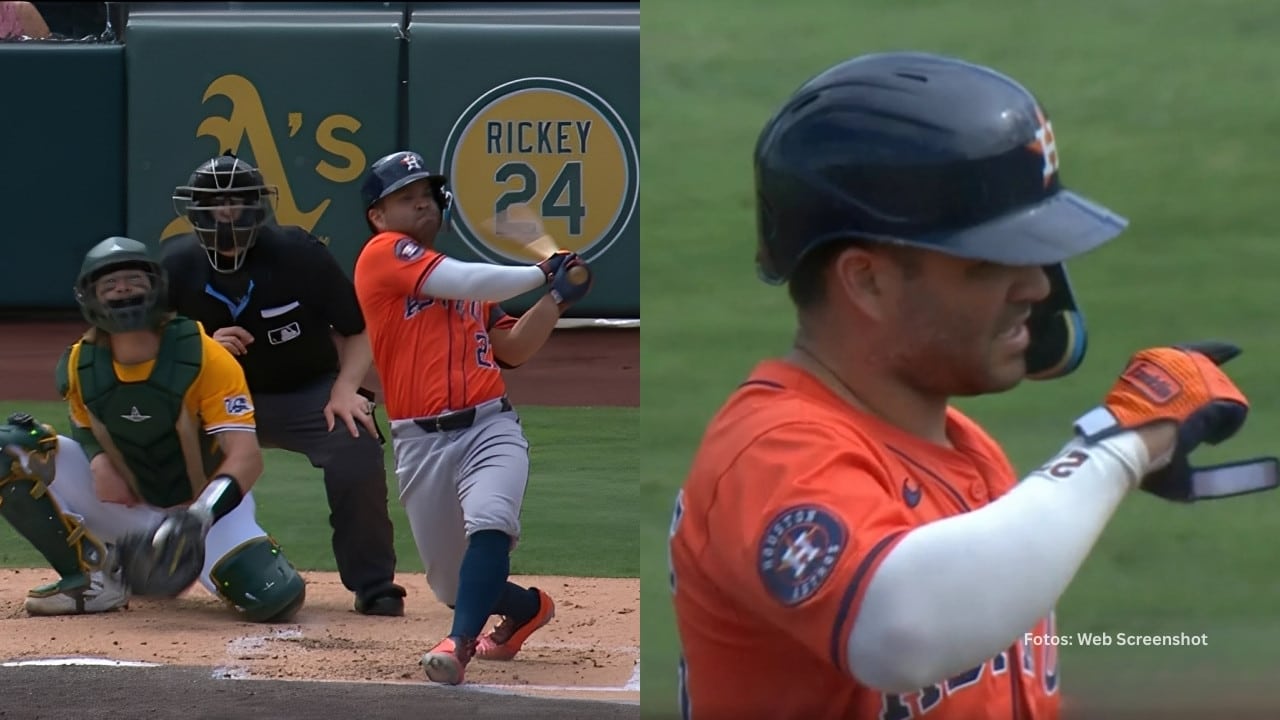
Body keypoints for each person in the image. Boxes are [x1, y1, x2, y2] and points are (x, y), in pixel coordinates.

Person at [666, 52, 1279, 720]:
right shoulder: (772, 453)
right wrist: (1118, 446)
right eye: (990, 263)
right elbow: (900, 633)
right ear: (867, 281)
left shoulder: (965, 449)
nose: (1039, 286)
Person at [351, 150, 592, 685]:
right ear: (378, 215)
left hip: (490, 427)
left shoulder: (462, 285)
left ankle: (459, 645)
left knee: (490, 519)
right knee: (454, 587)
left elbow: (513, 346)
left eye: (426, 198)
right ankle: (527, 607)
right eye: (405, 199)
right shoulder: (382, 256)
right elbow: (466, 280)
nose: (421, 205)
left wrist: (556, 297)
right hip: (420, 443)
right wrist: (540, 269)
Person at [0, 236, 306, 622]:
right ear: (89, 297)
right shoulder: (79, 364)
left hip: (203, 513)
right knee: (8, 448)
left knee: (275, 597)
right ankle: (92, 578)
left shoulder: (203, 354)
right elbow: (84, 424)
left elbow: (246, 457)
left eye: (133, 279)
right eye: (109, 284)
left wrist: (199, 517)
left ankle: (185, 553)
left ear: (157, 287)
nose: (122, 289)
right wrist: (97, 460)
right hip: (126, 502)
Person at [159, 151, 406, 617]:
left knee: (355, 442)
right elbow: (151, 349)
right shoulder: (177, 265)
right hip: (216, 400)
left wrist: (346, 389)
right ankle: (152, 559)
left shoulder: (298, 252)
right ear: (194, 209)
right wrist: (203, 346)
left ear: (257, 206)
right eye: (215, 202)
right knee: (153, 441)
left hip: (306, 391)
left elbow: (359, 327)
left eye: (236, 200)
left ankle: (373, 583)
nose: (226, 212)